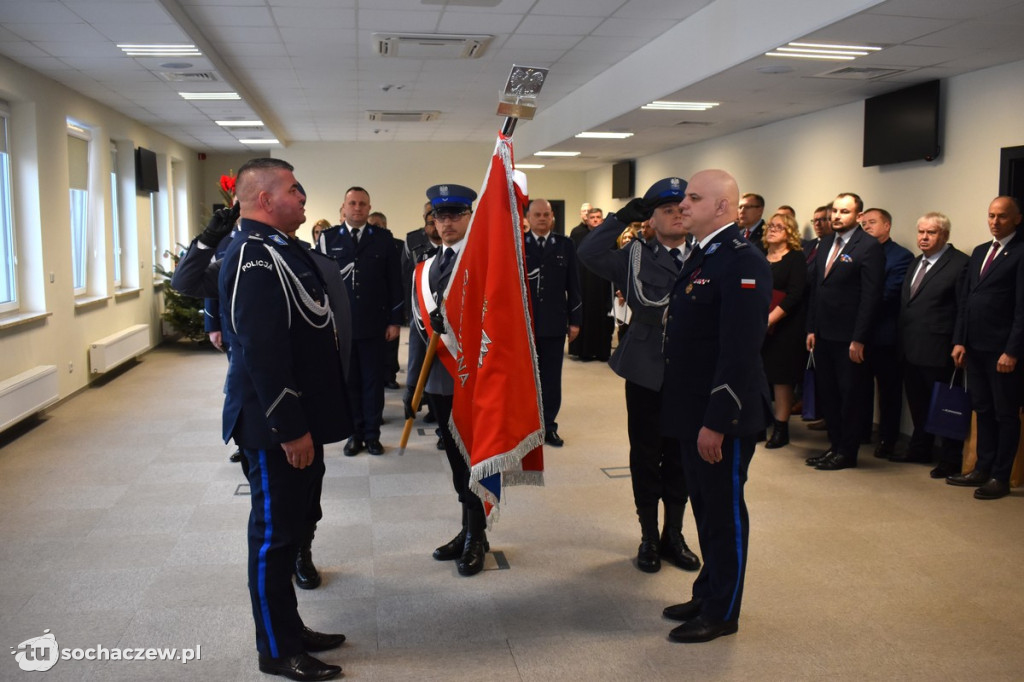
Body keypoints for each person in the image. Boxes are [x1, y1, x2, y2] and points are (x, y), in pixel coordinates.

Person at [217, 158, 349, 680]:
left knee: (294, 528)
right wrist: (290, 427)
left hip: (299, 420)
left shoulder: (279, 249)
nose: (303, 197)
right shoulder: (252, 254)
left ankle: (289, 627)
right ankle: (276, 649)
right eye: (294, 190)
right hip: (274, 427)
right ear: (266, 199)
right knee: (273, 539)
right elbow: (262, 350)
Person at [659, 169, 771, 643]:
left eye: (693, 197)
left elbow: (739, 350)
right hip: (692, 410)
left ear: (723, 206)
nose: (682, 204)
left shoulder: (741, 259)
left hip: (720, 416)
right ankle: (708, 591)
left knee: (724, 515)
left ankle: (723, 611)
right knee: (704, 508)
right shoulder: (706, 253)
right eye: (684, 198)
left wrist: (716, 422)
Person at [577, 177, 701, 575]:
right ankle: (648, 535)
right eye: (667, 210)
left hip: (690, 369)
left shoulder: (705, 255)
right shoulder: (632, 256)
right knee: (646, 453)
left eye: (682, 208)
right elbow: (588, 251)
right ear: (652, 217)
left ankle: (674, 535)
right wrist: (618, 219)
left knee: (682, 455)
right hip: (646, 367)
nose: (678, 215)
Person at [412, 183, 492, 576]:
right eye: (439, 217)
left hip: (476, 378)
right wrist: (417, 382)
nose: (446, 223)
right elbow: (418, 332)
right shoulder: (425, 268)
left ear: (469, 217)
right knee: (456, 460)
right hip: (442, 380)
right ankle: (468, 529)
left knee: (476, 460)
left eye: (455, 216)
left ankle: (477, 535)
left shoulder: (485, 263)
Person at [318, 187, 402, 456]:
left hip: (375, 324)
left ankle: (372, 435)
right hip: (340, 326)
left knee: (373, 383)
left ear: (369, 208)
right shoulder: (328, 239)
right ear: (343, 207)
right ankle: (353, 434)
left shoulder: (384, 239)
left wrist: (394, 321)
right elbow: (320, 286)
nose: (357, 208)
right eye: (352, 203)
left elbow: (395, 283)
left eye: (362, 204)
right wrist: (324, 324)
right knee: (349, 382)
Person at [949, 196, 1024, 500]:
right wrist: (959, 339)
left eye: (1002, 217)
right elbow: (966, 302)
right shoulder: (981, 251)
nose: (995, 222)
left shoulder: (1020, 252)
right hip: (975, 347)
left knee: (1005, 414)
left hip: (1003, 351)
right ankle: (982, 466)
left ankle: (1000, 476)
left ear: (1016, 219)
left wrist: (1013, 350)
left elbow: (1022, 307)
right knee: (983, 409)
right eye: (991, 216)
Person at [805, 193, 884, 471]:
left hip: (850, 337)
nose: (837, 216)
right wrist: (811, 328)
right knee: (829, 395)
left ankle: (847, 452)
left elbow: (871, 297)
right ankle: (834, 446)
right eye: (835, 211)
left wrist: (859, 338)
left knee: (850, 396)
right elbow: (818, 288)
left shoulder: (869, 246)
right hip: (823, 333)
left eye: (845, 212)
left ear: (858, 217)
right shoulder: (826, 243)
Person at [899, 212, 969, 477]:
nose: (924, 237)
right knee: (917, 402)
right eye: (921, 232)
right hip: (910, 345)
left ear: (945, 235)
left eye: (931, 233)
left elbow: (964, 308)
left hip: (940, 347)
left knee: (945, 403)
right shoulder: (916, 262)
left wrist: (959, 341)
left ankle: (950, 458)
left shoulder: (960, 263)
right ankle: (920, 448)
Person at [523, 199, 581, 447]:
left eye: (547, 214)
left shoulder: (565, 245)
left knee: (550, 378)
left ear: (553, 217)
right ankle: (525, 427)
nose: (542, 218)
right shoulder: (517, 245)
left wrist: (575, 321)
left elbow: (574, 286)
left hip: (553, 323)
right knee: (525, 378)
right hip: (523, 324)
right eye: (537, 214)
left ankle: (548, 426)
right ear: (528, 217)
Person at [761, 212, 807, 449]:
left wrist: (770, 319)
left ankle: (781, 428)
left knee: (781, 379)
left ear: (790, 232)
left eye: (780, 226)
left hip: (784, 328)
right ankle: (759, 421)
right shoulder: (759, 256)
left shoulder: (796, 258)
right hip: (756, 325)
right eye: (771, 226)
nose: (773, 229)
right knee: (757, 374)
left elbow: (795, 294)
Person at [403, 202, 441, 429]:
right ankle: (426, 404)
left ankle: (442, 420)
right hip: (421, 319)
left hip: (449, 324)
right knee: (419, 363)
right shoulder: (415, 245)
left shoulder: (457, 248)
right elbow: (405, 278)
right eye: (430, 220)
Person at [570, 207, 614, 361]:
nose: (595, 220)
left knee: (603, 318)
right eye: (592, 217)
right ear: (586, 220)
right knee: (585, 317)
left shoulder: (608, 237)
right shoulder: (578, 235)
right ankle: (585, 352)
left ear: (602, 220)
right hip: (584, 283)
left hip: (604, 284)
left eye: (598, 217)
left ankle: (602, 352)